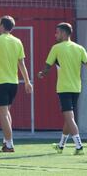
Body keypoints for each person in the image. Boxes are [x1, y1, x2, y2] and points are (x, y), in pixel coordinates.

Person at [0, 15, 32, 152]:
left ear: (2, 26)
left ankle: (9, 144)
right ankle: (6, 141)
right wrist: (27, 82)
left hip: (1, 82)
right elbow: (22, 64)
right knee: (7, 112)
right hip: (14, 83)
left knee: (3, 113)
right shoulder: (18, 41)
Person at [38, 22, 85, 155]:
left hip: (64, 88)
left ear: (64, 33)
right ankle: (61, 145)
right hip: (77, 88)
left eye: (57, 32)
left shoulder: (56, 48)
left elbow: (48, 66)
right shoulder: (80, 48)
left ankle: (79, 146)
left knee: (69, 118)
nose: (55, 34)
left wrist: (41, 73)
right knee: (69, 118)